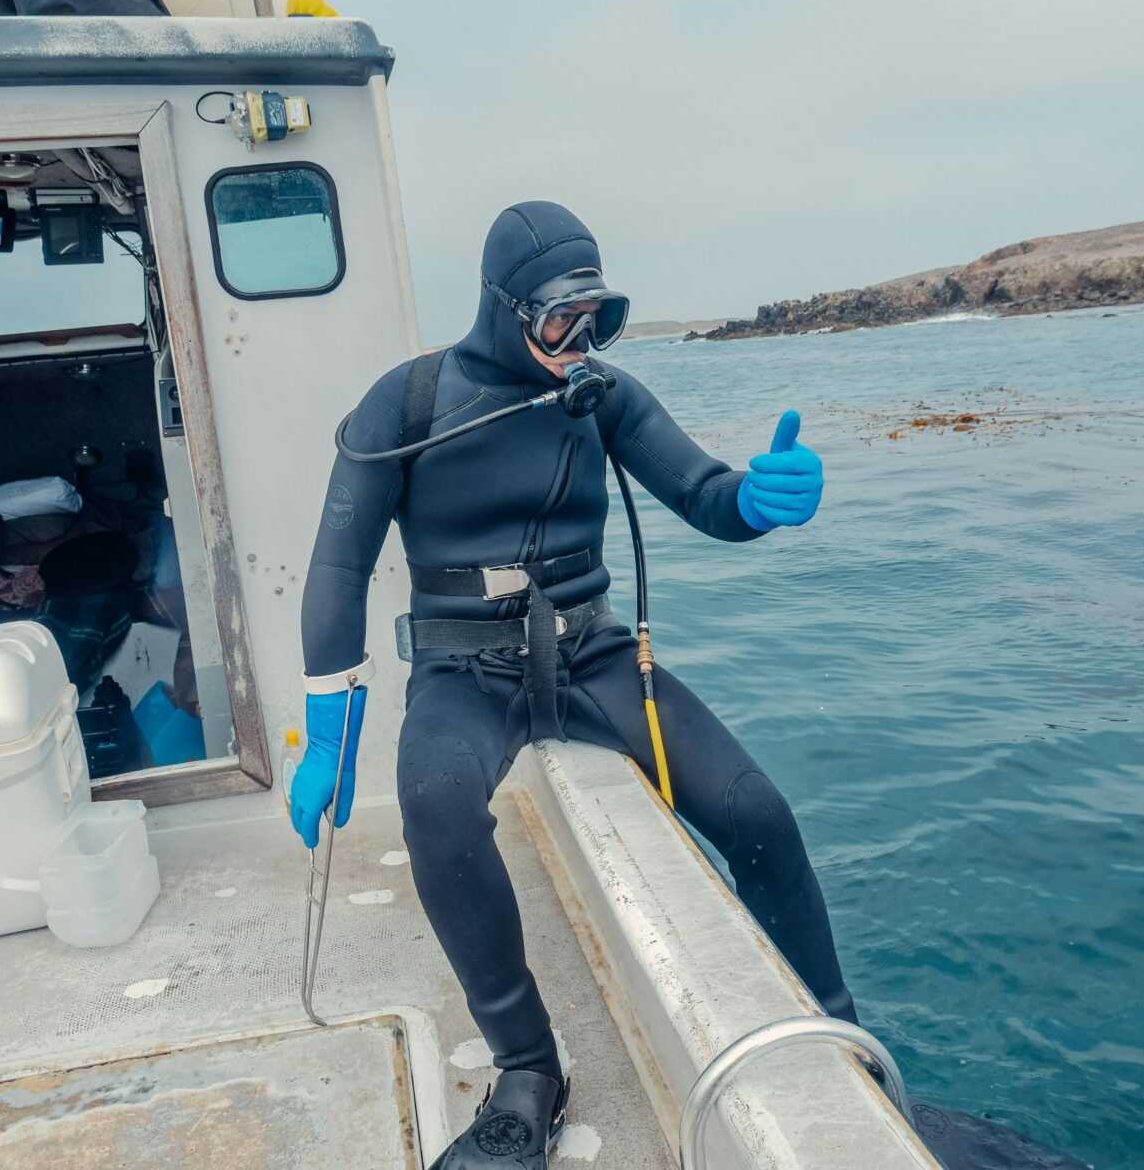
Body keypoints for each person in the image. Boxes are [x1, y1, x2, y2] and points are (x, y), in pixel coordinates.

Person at [293, 201, 848, 1168]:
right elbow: (338, 566)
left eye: (599, 318)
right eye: (561, 319)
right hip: (461, 667)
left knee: (759, 813)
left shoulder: (604, 396)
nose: (580, 340)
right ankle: (528, 1074)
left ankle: (842, 1041)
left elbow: (704, 494)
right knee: (434, 804)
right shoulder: (408, 402)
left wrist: (759, 501)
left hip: (592, 654)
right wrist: (328, 726)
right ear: (506, 307)